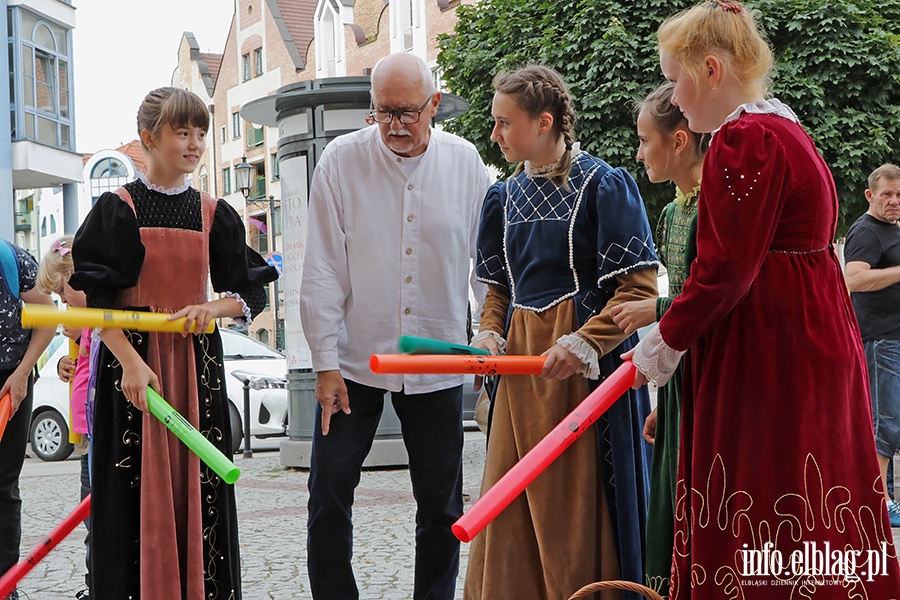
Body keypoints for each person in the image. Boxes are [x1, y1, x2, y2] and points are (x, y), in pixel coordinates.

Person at [626, 1, 900, 596]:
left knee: (769, 488)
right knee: (808, 496)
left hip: (771, 347)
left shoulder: (745, 137)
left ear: (711, 69)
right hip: (806, 333)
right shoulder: (784, 127)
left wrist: (661, 344)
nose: (674, 97)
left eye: (677, 80)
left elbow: (725, 268)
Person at [69, 87, 278, 600]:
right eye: (182, 132)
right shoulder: (116, 209)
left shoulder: (213, 212)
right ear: (149, 138)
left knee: (198, 486)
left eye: (200, 133)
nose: (195, 143)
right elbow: (96, 303)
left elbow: (251, 289)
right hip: (133, 364)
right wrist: (132, 367)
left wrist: (212, 308)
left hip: (195, 364)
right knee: (133, 487)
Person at [299, 52, 492, 600]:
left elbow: (485, 264)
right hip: (355, 361)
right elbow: (322, 271)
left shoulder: (466, 163)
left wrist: (487, 339)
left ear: (434, 104)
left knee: (441, 504)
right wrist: (326, 365)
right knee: (328, 493)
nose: (396, 126)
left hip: (437, 360)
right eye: (384, 112)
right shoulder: (340, 161)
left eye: (407, 112)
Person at [464, 64, 658, 600]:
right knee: (512, 499)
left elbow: (638, 291)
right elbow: (499, 289)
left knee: (573, 505)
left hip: (585, 376)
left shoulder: (605, 184)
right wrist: (487, 333)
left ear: (544, 121)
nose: (495, 134)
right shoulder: (501, 197)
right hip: (522, 374)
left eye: (505, 123)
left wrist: (584, 343)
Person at [610, 82, 705, 597]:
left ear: (680, 140)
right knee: (667, 507)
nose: (639, 152)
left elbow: (716, 302)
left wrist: (654, 308)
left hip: (713, 376)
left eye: (646, 140)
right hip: (680, 380)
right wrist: (665, 401)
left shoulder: (713, 207)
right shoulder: (672, 212)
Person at [844, 163, 900, 527]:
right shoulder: (866, 231)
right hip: (881, 341)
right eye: (887, 195)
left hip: (893, 338)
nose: (894, 201)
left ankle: (886, 498)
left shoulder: (891, 229)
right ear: (870, 195)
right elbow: (854, 278)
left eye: (899, 195)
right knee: (885, 424)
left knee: (891, 422)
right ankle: (876, 504)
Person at [37, 236, 93, 599]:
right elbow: (69, 363)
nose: (61, 303)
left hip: (95, 421)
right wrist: (62, 362)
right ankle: (94, 582)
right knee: (90, 514)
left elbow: (103, 340)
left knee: (95, 512)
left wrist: (84, 330)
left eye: (63, 293)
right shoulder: (75, 323)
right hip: (83, 425)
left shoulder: (96, 319)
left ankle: (98, 583)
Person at [0, 239, 56, 600]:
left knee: (3, 488)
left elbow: (48, 317)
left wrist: (23, 374)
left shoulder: (12, 258)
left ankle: (6, 585)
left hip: (9, 381)